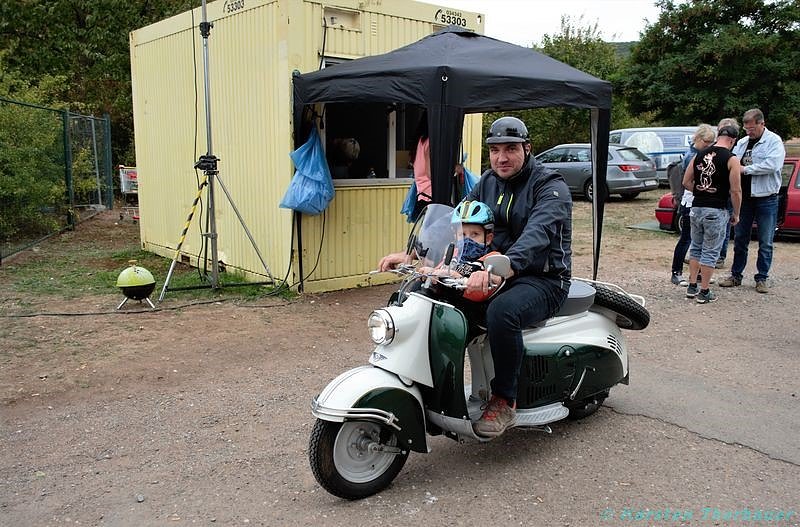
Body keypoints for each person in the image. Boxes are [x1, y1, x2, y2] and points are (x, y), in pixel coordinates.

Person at [379, 116, 572, 437]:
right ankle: (427, 383)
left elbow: (538, 234)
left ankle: (504, 399)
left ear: (528, 148)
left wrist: (502, 265)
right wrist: (414, 253)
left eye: (511, 149)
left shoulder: (550, 186)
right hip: (489, 268)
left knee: (502, 312)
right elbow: (455, 220)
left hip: (543, 279)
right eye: (495, 150)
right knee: (426, 290)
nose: (502, 158)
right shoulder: (488, 182)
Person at [719, 109, 786, 293]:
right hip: (745, 198)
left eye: (752, 129)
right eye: (747, 129)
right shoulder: (741, 143)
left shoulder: (774, 141)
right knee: (740, 238)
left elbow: (773, 165)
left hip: (766, 198)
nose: (749, 132)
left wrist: (745, 170)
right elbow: (733, 162)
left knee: (765, 240)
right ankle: (736, 275)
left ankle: (762, 277)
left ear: (761, 124)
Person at [682, 125, 742, 303]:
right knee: (710, 251)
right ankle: (705, 290)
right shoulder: (732, 159)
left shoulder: (699, 154)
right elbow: (736, 190)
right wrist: (736, 213)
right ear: (733, 140)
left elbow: (686, 181)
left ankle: (692, 285)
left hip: (697, 208)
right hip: (716, 210)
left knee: (696, 247)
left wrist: (701, 192)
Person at [418, 200, 500, 303]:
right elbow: (437, 271)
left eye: (475, 234)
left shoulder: (492, 258)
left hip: (469, 311)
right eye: (462, 234)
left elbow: (490, 286)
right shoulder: (452, 253)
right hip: (442, 307)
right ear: (456, 235)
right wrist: (429, 272)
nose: (467, 240)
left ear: (488, 238)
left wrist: (456, 276)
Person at [670, 124, 716, 285]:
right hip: (690, 201)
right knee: (687, 239)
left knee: (698, 240)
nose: (709, 145)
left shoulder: (702, 153)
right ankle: (676, 272)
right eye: (707, 141)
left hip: (697, 200)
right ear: (698, 138)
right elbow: (691, 180)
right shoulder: (692, 156)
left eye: (712, 142)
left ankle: (696, 274)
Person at [715, 117, 740, 267]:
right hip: (714, 195)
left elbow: (736, 189)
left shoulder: (734, 153)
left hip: (727, 193)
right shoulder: (711, 151)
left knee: (725, 225)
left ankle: (720, 256)